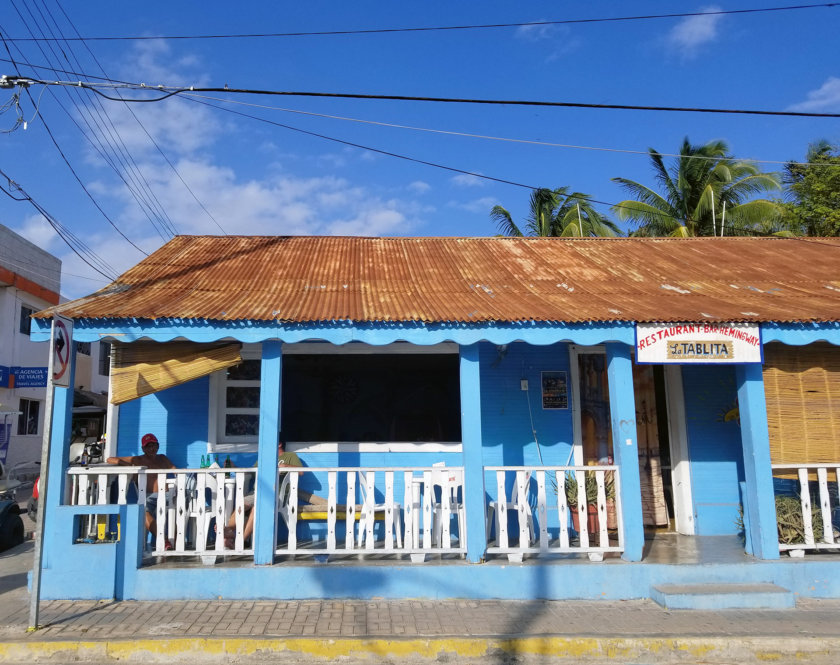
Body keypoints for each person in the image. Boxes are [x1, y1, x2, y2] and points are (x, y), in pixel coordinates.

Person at [224, 437, 301, 548]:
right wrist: (234, 467)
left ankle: (240, 541)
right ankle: (230, 532)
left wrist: (285, 466)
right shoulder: (264, 458)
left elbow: (301, 472)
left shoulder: (290, 456)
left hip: (275, 495)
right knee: (240, 504)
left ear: (279, 444)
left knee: (257, 507)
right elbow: (250, 472)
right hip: (257, 492)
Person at [106, 433, 175, 548]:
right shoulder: (137, 459)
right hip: (148, 497)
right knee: (142, 512)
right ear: (143, 448)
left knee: (181, 506)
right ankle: (164, 540)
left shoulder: (163, 458)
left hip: (167, 495)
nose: (152, 448)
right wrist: (129, 466)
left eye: (154, 445)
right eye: (148, 446)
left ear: (158, 446)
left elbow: (175, 470)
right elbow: (110, 459)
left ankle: (176, 541)